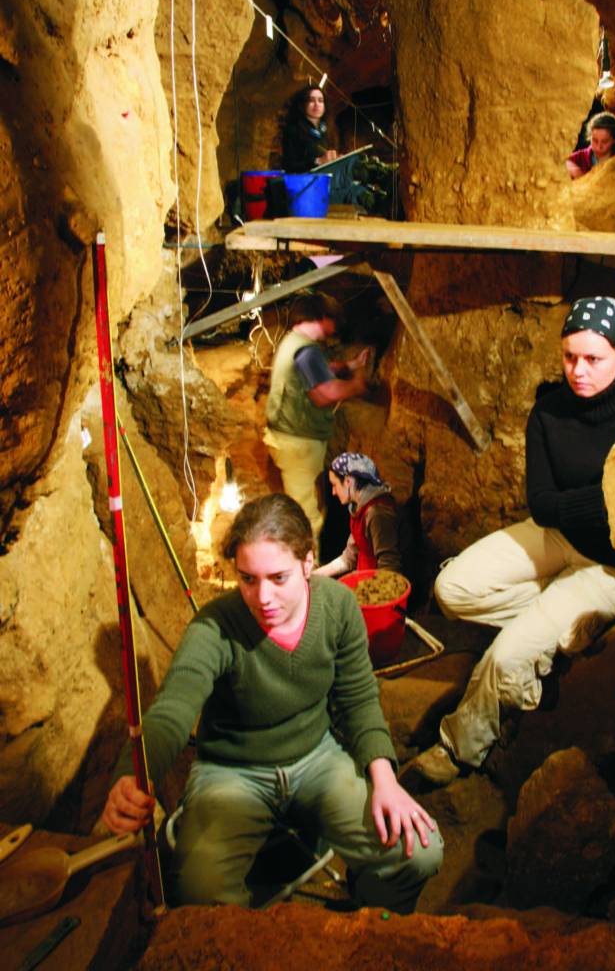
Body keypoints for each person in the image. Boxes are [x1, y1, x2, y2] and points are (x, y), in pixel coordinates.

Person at [102, 493, 443, 911]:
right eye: (248, 579)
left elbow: (358, 699)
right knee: (199, 891)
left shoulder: (337, 608)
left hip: (316, 759)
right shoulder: (216, 627)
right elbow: (172, 711)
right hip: (233, 772)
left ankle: (367, 917)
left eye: (278, 578)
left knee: (419, 853)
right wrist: (132, 774)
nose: (262, 597)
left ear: (308, 563)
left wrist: (385, 779)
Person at [413, 296, 615, 786]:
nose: (578, 371)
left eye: (593, 359)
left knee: (504, 657)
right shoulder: (549, 412)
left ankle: (459, 748)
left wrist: (606, 505)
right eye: (570, 357)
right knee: (452, 588)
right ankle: (552, 631)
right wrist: (608, 497)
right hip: (558, 535)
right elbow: (543, 505)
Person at [264, 293, 369, 550]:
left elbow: (316, 369)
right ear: (323, 318)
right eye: (335, 322)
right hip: (297, 444)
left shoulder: (294, 342)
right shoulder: (306, 350)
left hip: (289, 439)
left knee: (311, 505)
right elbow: (325, 394)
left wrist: (346, 365)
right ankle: (307, 579)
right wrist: (356, 384)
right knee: (306, 518)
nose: (337, 329)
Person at [315, 452, 402, 578]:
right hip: (365, 577)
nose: (333, 492)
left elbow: (389, 566)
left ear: (348, 481)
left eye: (335, 485)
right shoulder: (358, 508)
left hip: (378, 585)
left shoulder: (377, 513)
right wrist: (314, 576)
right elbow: (349, 558)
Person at [565, 111, 615, 180]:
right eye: (595, 140)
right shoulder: (581, 157)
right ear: (590, 136)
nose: (599, 146)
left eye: (604, 142)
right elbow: (564, 161)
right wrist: (573, 168)